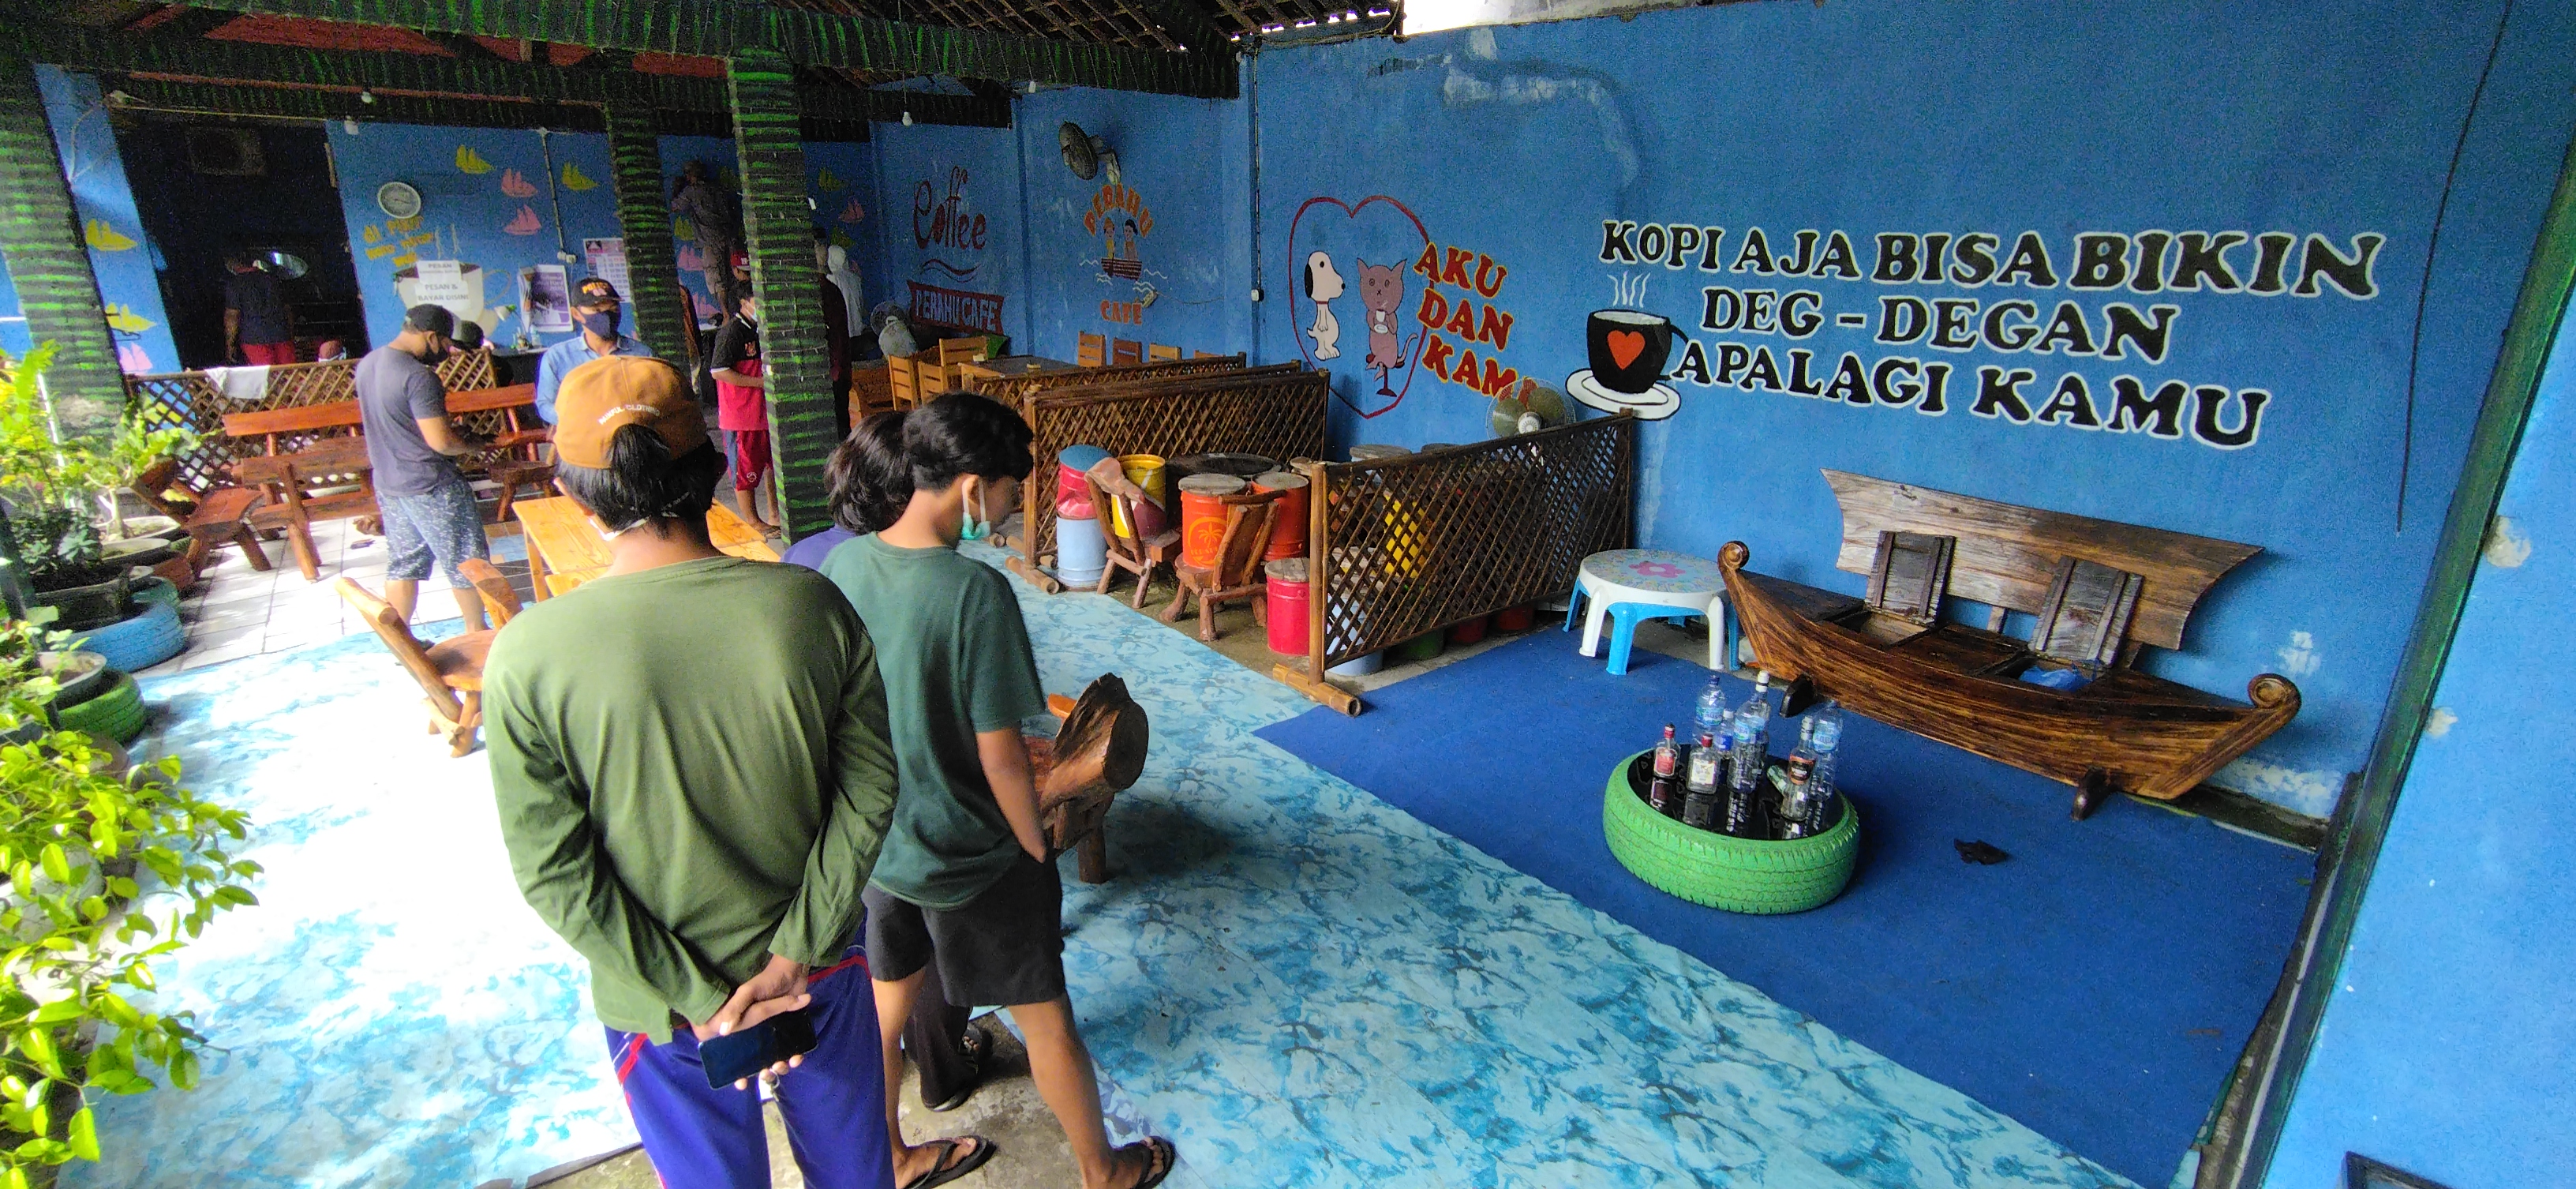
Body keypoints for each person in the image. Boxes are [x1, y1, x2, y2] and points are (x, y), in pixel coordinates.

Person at [485, 354, 908, 1189]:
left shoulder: (527, 657)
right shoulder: (807, 606)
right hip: (819, 968)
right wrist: (790, 955)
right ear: (712, 464)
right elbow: (870, 791)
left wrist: (700, 996)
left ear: (575, 493)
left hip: (660, 1008)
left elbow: (554, 874)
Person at [818, 393, 1178, 1189]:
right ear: (971, 486)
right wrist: (1033, 844)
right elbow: (1004, 758)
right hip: (969, 854)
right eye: (1015, 491)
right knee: (1047, 1019)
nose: (1017, 510)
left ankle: (895, 1158)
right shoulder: (973, 594)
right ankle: (1102, 1168)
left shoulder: (844, 565)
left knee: (882, 1020)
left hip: (882, 848)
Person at [781, 411, 995, 1116]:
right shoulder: (933, 574)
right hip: (918, 805)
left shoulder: (810, 557)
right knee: (933, 947)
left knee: (884, 951)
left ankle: (879, 1119)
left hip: (841, 807)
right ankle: (943, 1068)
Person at [354, 305, 492, 629]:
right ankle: (477, 633)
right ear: (431, 336)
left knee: (404, 564)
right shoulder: (419, 376)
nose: (447, 352)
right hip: (432, 486)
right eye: (445, 344)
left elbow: (400, 423)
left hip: (390, 482)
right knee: (467, 561)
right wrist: (475, 443)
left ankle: (401, 641)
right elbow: (441, 442)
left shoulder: (368, 363)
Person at [534, 277, 654, 425]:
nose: (606, 316)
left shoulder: (642, 354)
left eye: (613, 309)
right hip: (582, 437)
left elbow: (656, 399)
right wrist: (578, 422)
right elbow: (545, 405)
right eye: (596, 310)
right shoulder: (557, 357)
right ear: (576, 314)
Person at [709, 289, 779, 534]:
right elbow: (718, 371)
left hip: (764, 413)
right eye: (757, 302)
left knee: (772, 465)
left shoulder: (761, 331)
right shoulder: (732, 332)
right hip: (742, 415)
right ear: (744, 303)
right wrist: (759, 382)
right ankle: (752, 521)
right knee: (744, 470)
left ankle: (775, 514)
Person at [672, 162, 744, 310]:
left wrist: (677, 188)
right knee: (736, 275)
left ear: (690, 175)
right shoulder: (718, 188)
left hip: (710, 240)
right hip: (730, 237)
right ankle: (741, 310)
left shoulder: (691, 191)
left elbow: (675, 207)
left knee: (716, 278)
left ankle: (725, 315)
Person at [814, 228, 853, 443]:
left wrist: (835, 371)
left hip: (834, 376)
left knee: (838, 433)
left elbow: (837, 336)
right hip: (837, 373)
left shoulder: (827, 293)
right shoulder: (831, 290)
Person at [223, 251, 295, 365]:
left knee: (265, 377)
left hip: (254, 339)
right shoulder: (273, 279)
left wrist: (230, 344)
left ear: (233, 262)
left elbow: (232, 316)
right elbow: (287, 310)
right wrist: (290, 334)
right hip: (282, 335)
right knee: (289, 375)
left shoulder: (235, 285)